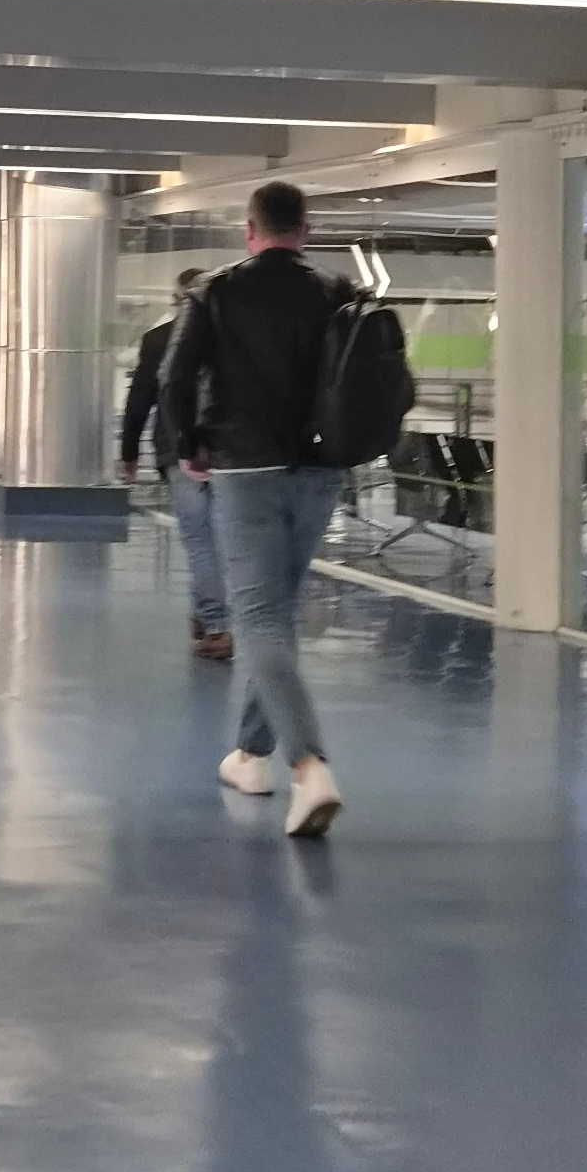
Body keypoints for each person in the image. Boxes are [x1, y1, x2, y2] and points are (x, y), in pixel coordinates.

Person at [160, 180, 354, 838]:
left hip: (245, 471)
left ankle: (310, 767)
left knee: (262, 617)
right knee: (279, 611)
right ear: (306, 231)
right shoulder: (337, 292)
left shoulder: (215, 291)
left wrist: (189, 447)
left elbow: (174, 377)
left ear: (250, 230)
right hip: (320, 471)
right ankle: (249, 755)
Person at [121, 267, 233, 662]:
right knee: (219, 537)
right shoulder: (233, 339)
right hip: (228, 452)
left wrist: (129, 452)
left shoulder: (158, 340)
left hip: (177, 449)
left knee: (199, 539)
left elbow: (140, 401)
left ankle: (217, 626)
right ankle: (205, 615)